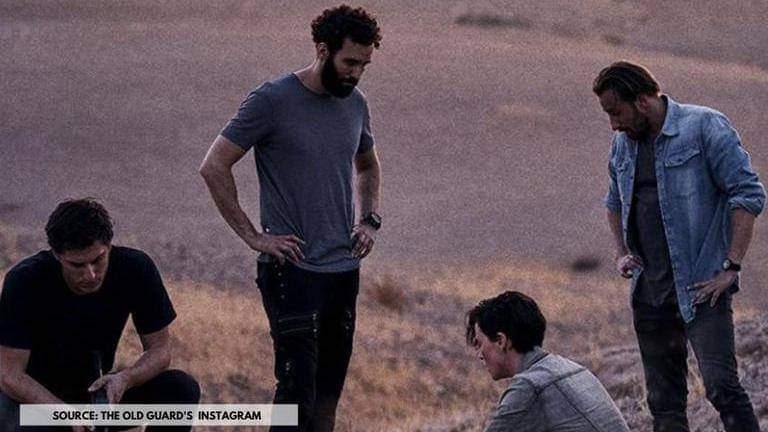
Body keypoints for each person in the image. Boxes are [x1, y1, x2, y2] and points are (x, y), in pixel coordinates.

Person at [199, 5, 382, 431]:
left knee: (327, 398)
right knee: (296, 396)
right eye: (349, 62)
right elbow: (214, 165)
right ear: (322, 50)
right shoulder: (272, 100)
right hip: (292, 270)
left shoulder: (356, 104)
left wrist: (369, 220)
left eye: (364, 65)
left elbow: (368, 165)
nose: (356, 74)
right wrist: (253, 236)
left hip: (343, 271)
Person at [596, 60, 765, 432]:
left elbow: (748, 194)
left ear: (642, 101)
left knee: (722, 388)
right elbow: (613, 201)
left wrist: (731, 266)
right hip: (650, 294)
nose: (613, 124)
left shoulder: (704, 127)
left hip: (702, 290)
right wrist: (621, 252)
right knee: (664, 405)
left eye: (616, 112)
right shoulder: (623, 144)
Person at [0, 198, 200, 432]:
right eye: (77, 265)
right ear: (57, 255)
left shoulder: (136, 268)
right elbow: (10, 375)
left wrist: (126, 378)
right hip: (34, 401)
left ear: (109, 245)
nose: (91, 275)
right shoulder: (25, 281)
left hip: (94, 393)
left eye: (97, 260)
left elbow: (160, 350)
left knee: (180, 388)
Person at [466, 291, 629, 432]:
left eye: (480, 344)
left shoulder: (529, 386)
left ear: (501, 340)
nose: (479, 355)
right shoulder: (571, 368)